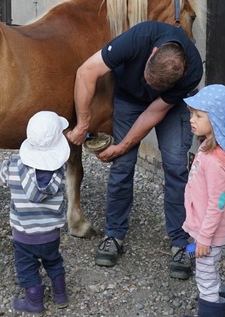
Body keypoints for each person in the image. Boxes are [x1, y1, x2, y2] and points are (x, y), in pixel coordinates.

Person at [66, 20, 203, 278]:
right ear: (152, 53)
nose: (149, 86)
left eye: (155, 85)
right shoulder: (138, 38)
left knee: (175, 166)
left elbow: (154, 111)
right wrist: (83, 124)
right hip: (129, 98)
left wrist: (122, 145)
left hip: (168, 107)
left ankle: (180, 241)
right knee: (123, 166)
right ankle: (114, 235)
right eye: (147, 79)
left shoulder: (191, 70)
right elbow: (86, 72)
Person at [173, 85, 225, 317]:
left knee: (206, 278)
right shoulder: (208, 148)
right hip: (205, 230)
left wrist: (203, 238)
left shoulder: (214, 162)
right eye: (192, 114)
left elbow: (217, 204)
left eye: (199, 116)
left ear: (214, 122)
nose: (192, 119)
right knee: (208, 273)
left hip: (209, 234)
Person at [0, 110, 71, 314]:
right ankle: (60, 296)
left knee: (27, 269)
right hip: (51, 235)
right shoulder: (61, 170)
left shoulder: (12, 166)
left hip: (24, 236)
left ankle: (34, 302)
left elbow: (1, 177)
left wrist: (9, 166)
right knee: (54, 262)